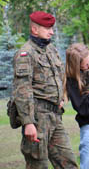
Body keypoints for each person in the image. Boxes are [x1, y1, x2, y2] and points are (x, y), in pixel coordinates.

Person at [12, 11, 78, 169]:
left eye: (52, 28)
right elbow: (22, 90)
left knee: (68, 163)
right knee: (37, 164)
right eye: (48, 28)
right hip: (38, 118)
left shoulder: (51, 50)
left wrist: (62, 96)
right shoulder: (25, 54)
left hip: (55, 116)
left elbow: (59, 76)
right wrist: (28, 123)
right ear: (35, 29)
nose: (52, 32)